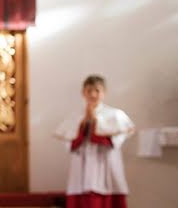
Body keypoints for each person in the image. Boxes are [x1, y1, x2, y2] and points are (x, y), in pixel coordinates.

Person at [54, 75, 135, 208]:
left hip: (106, 164)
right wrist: (84, 124)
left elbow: (116, 141)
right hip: (82, 167)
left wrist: (96, 122)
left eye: (97, 90)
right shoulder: (75, 117)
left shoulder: (115, 115)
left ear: (104, 93)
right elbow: (70, 145)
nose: (93, 94)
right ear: (83, 92)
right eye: (89, 90)